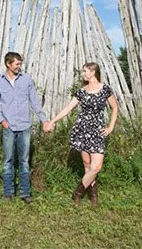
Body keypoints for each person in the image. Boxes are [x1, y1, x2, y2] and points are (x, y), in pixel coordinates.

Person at [43, 62, 118, 205]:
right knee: (87, 164)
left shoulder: (105, 89)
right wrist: (52, 121)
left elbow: (115, 108)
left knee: (96, 167)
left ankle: (77, 192)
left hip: (97, 130)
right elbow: (68, 109)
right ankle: (93, 196)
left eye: (84, 71)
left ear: (93, 72)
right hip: (82, 129)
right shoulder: (81, 91)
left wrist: (110, 127)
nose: (83, 74)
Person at [0, 52, 46, 203]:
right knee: (8, 160)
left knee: (24, 161)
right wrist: (3, 121)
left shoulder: (26, 79)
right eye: (17, 64)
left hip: (25, 126)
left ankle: (25, 193)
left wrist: (43, 120)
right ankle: (8, 193)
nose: (19, 67)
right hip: (8, 127)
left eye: (20, 64)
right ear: (8, 64)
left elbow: (34, 102)